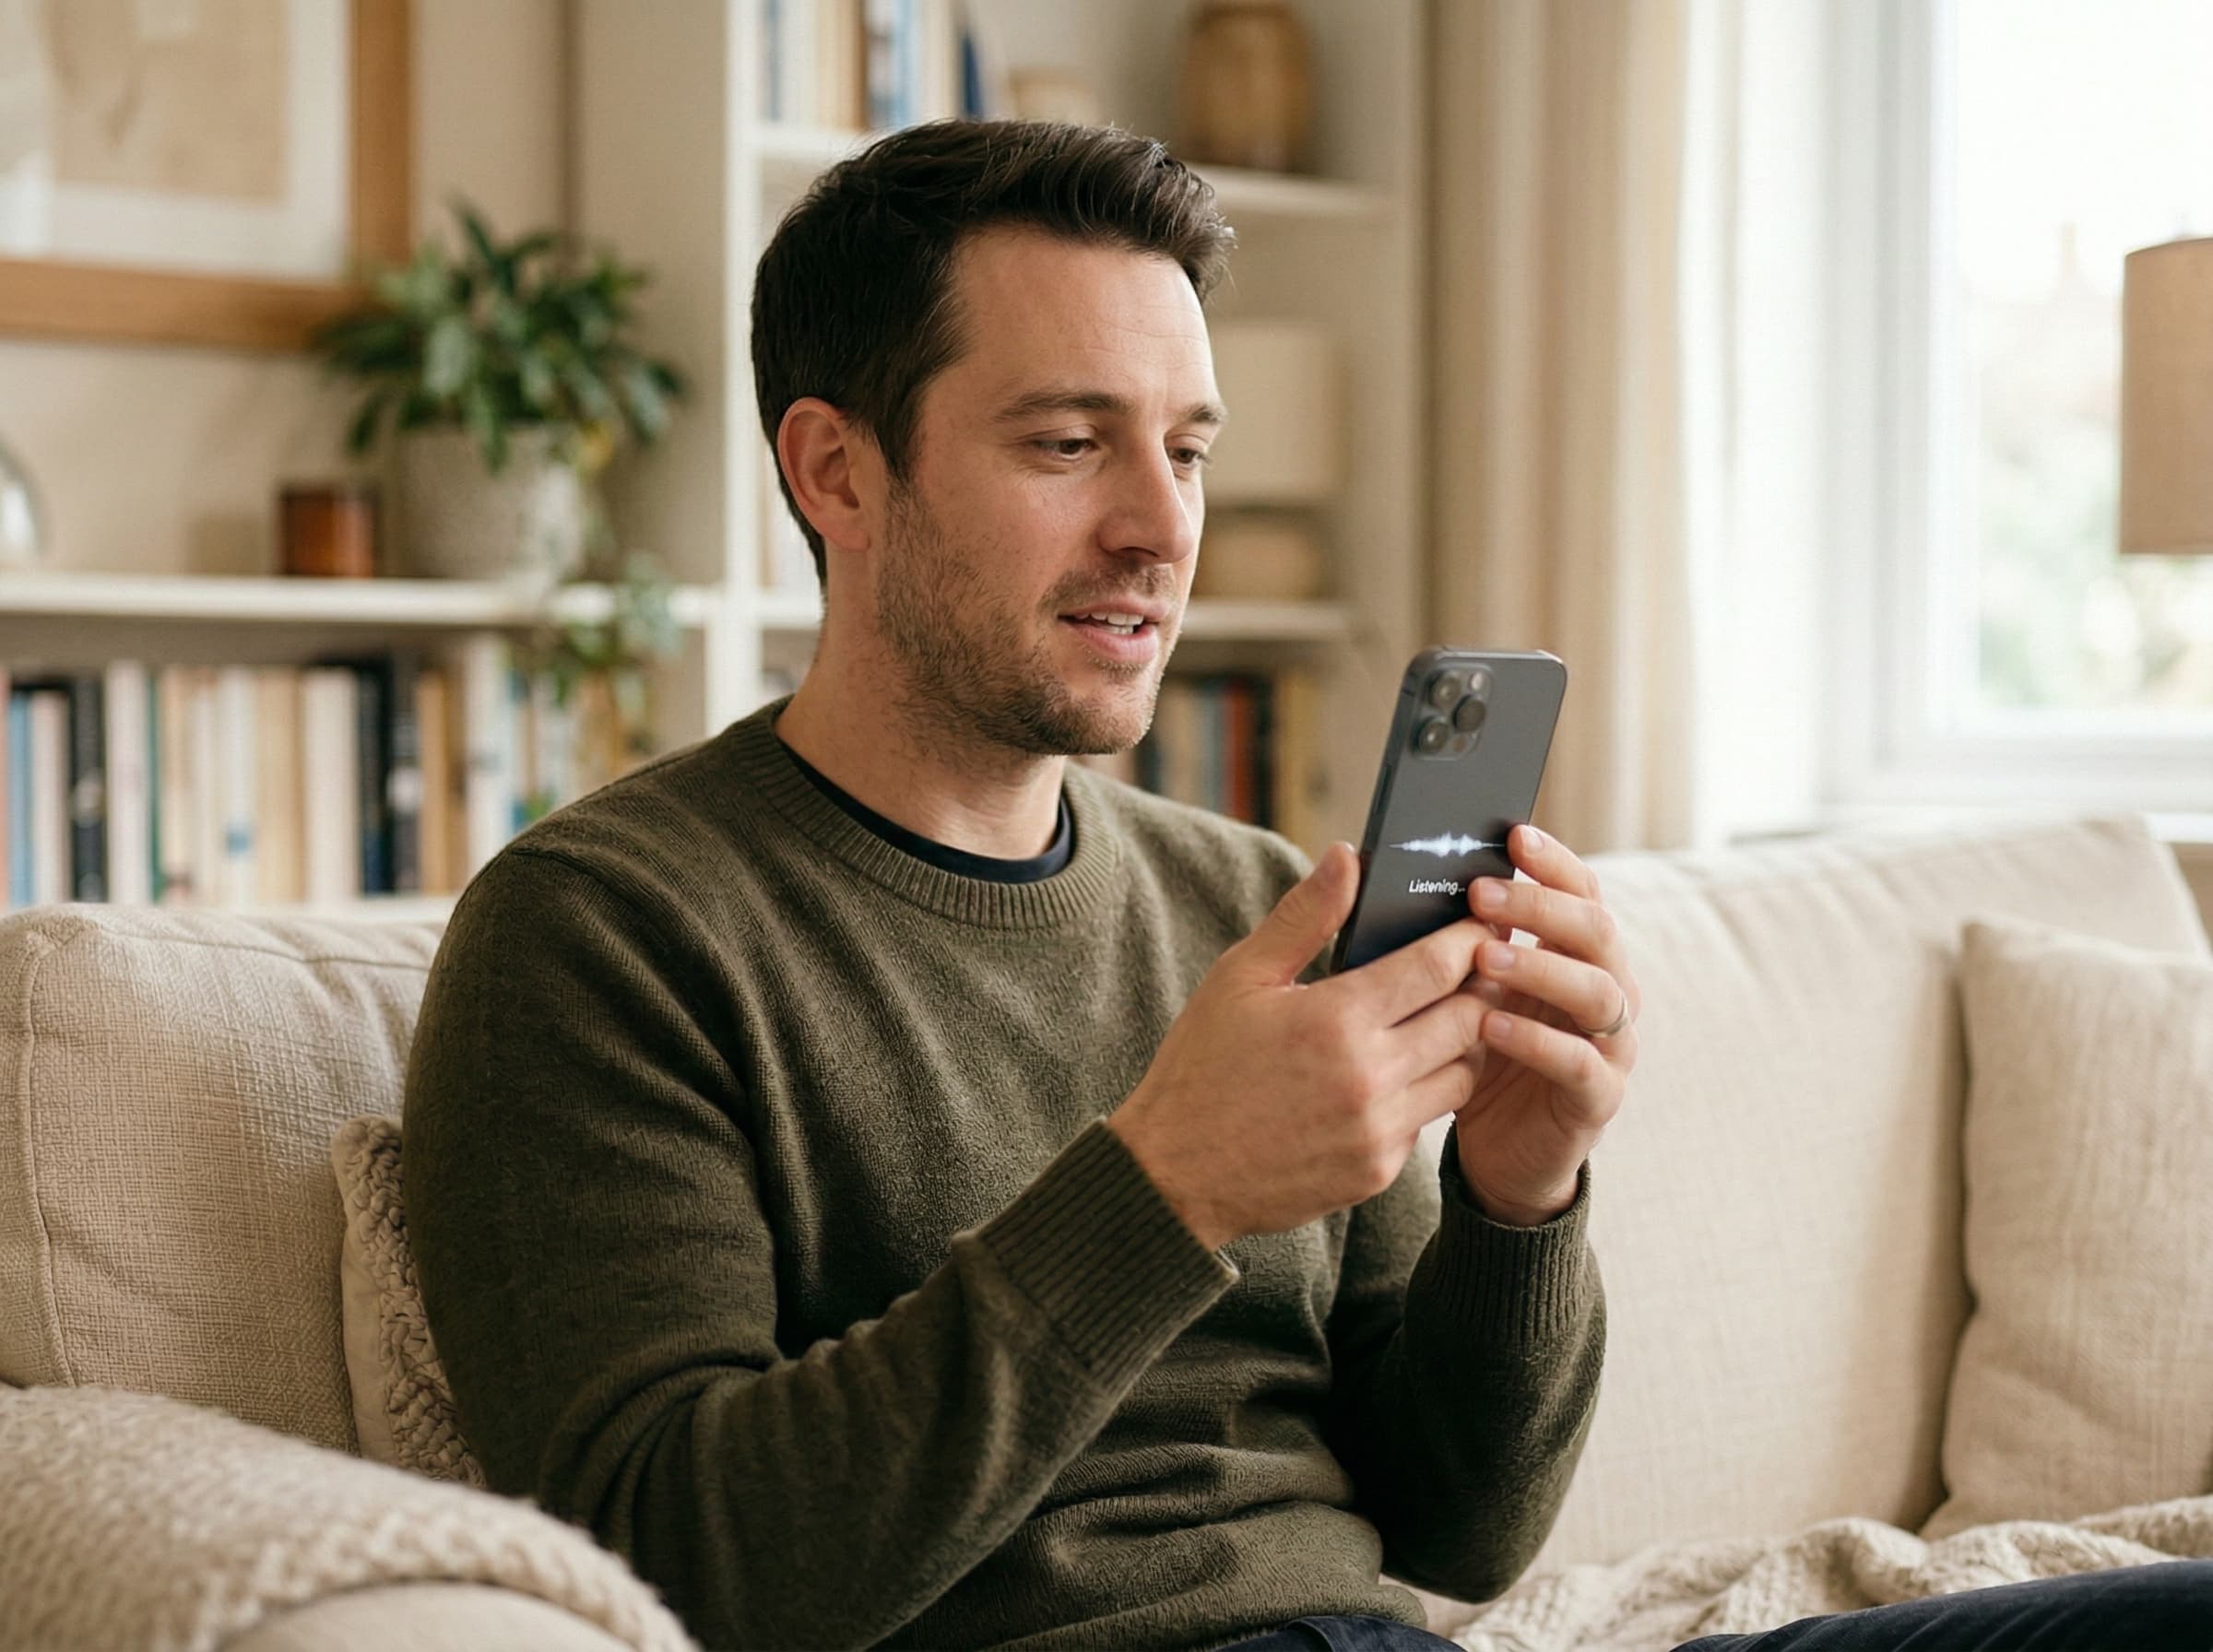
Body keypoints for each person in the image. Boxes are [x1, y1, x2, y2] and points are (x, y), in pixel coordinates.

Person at [402, 120, 2213, 1652]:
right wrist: (1169, 1179)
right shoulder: (607, 930)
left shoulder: (1244, 896)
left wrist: (1522, 1185)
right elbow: (674, 1572)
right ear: (837, 470)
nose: (1160, 524)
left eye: (1185, 447)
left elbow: (1461, 1528)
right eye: (1067, 441)